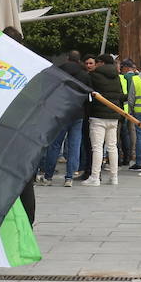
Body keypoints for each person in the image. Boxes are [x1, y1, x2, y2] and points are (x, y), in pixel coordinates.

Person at [41, 52, 88, 185]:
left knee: (55, 145)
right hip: (78, 113)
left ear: (68, 59)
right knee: (75, 145)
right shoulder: (84, 74)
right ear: (79, 60)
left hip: (60, 112)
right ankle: (69, 177)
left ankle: (48, 176)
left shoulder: (57, 72)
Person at [84, 54, 125, 186]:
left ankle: (95, 177)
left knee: (97, 148)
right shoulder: (116, 76)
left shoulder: (94, 75)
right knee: (112, 147)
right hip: (114, 116)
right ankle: (114, 177)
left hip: (98, 115)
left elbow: (89, 94)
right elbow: (120, 94)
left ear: (101, 63)